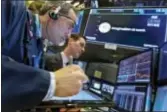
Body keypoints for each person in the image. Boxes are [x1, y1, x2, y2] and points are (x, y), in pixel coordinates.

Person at [2, 1, 88, 112]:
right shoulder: (12, 8)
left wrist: (57, 106)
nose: (69, 34)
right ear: (54, 13)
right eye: (70, 26)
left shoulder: (39, 47)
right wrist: (51, 82)